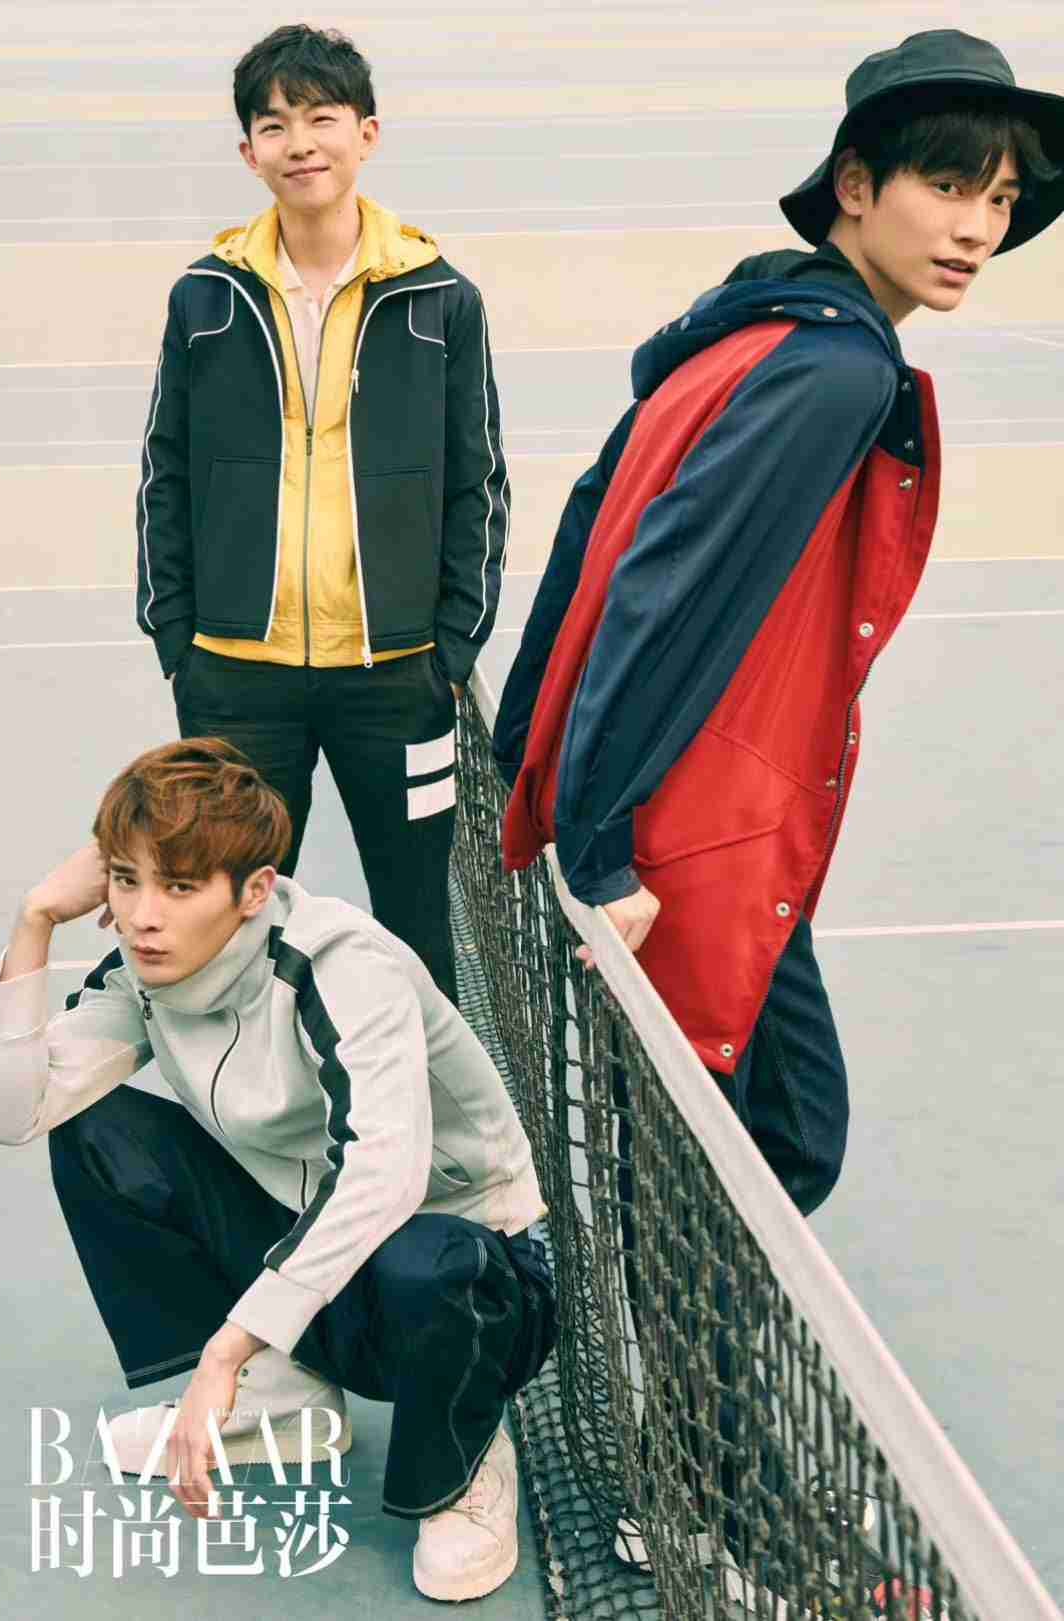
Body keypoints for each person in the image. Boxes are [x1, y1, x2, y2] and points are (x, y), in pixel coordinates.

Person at [492, 27, 1063, 1601]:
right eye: (947, 185)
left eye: (1001, 200)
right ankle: (707, 1505)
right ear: (856, 186)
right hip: (687, 853)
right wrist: (597, 845)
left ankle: (694, 1419)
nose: (976, 226)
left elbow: (594, 519)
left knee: (782, 1135)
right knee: (704, 1181)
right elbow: (663, 595)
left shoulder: (761, 327)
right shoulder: (834, 369)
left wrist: (525, 756)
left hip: (732, 845)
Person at [0, 738, 553, 1603]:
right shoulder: (144, 971)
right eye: (126, 880)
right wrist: (35, 919)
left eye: (180, 887)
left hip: (472, 1277)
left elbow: (384, 1177)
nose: (143, 916)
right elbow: (12, 1111)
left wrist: (228, 1346)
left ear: (253, 891)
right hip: (311, 1253)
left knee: (426, 1258)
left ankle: (464, 1450)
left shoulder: (341, 965)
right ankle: (284, 1396)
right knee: (97, 1131)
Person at [135, 24, 509, 1006]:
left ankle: (423, 1102)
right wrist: (179, 641)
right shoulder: (206, 299)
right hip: (235, 681)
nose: (300, 142)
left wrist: (450, 648)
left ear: (366, 134)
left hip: (397, 679)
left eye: (321, 118)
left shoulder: (440, 300)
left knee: (418, 925)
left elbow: (478, 480)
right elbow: (164, 473)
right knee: (231, 926)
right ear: (248, 150)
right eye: (275, 124)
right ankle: (252, 1099)